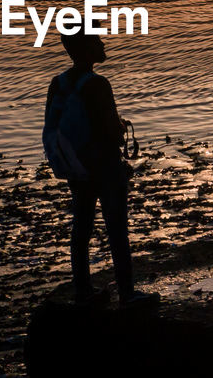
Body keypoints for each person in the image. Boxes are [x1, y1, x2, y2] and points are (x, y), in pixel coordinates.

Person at [43, 29, 155, 307]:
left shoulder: (58, 83)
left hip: (77, 166)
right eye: (97, 40)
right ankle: (127, 294)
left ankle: (83, 291)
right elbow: (112, 134)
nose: (103, 43)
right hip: (105, 165)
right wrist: (120, 127)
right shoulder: (98, 84)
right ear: (85, 48)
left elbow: (52, 126)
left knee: (82, 227)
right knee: (117, 228)